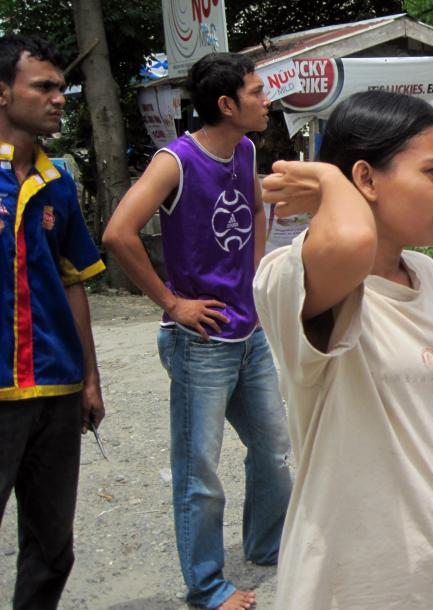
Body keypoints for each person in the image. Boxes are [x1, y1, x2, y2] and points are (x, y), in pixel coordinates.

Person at [253, 90, 433, 610]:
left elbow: (416, 407)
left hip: (425, 561)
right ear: (366, 179)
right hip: (347, 576)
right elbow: (352, 242)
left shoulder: (426, 274)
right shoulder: (291, 278)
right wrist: (329, 179)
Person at [103, 53, 292, 610]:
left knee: (274, 447)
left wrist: (256, 277)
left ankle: (267, 544)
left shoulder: (247, 149)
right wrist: (172, 303)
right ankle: (207, 586)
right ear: (226, 104)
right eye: (256, 92)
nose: (266, 100)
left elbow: (256, 209)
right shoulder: (175, 161)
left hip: (247, 332)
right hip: (200, 341)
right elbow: (119, 232)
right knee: (199, 469)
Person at [0, 35, 105, 610]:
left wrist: (89, 381)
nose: (59, 98)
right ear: (1, 92)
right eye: (43, 86)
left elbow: (73, 281)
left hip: (56, 391)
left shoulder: (58, 185)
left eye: (61, 88)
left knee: (51, 545)